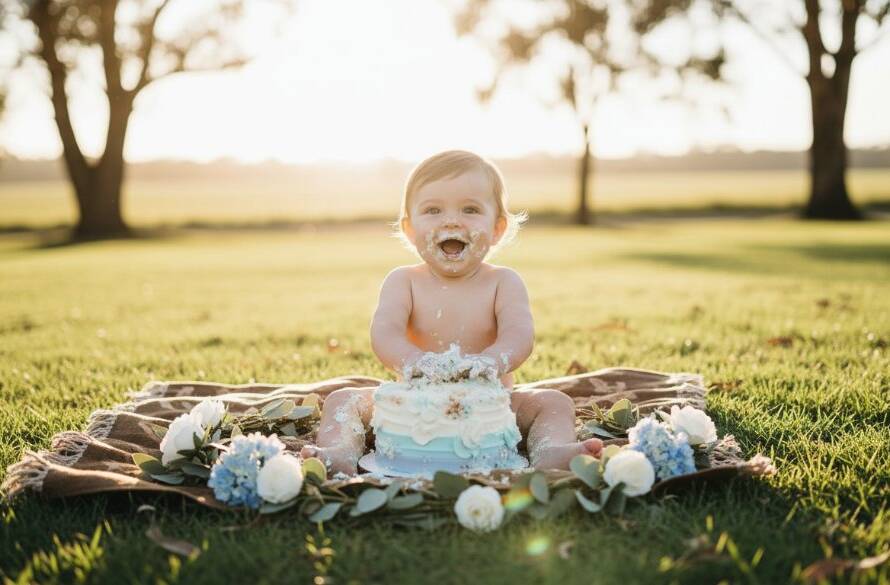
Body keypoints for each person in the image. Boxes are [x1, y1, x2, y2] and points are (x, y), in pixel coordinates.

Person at [301, 150, 603, 475]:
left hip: (491, 407)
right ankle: (339, 452)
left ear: (498, 227)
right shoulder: (403, 281)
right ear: (410, 228)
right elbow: (385, 333)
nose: (451, 220)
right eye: (432, 210)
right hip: (411, 407)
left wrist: (491, 361)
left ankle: (551, 452)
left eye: (470, 209)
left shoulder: (503, 282)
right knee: (344, 399)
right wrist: (414, 362)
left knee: (554, 402)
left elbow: (519, 335)